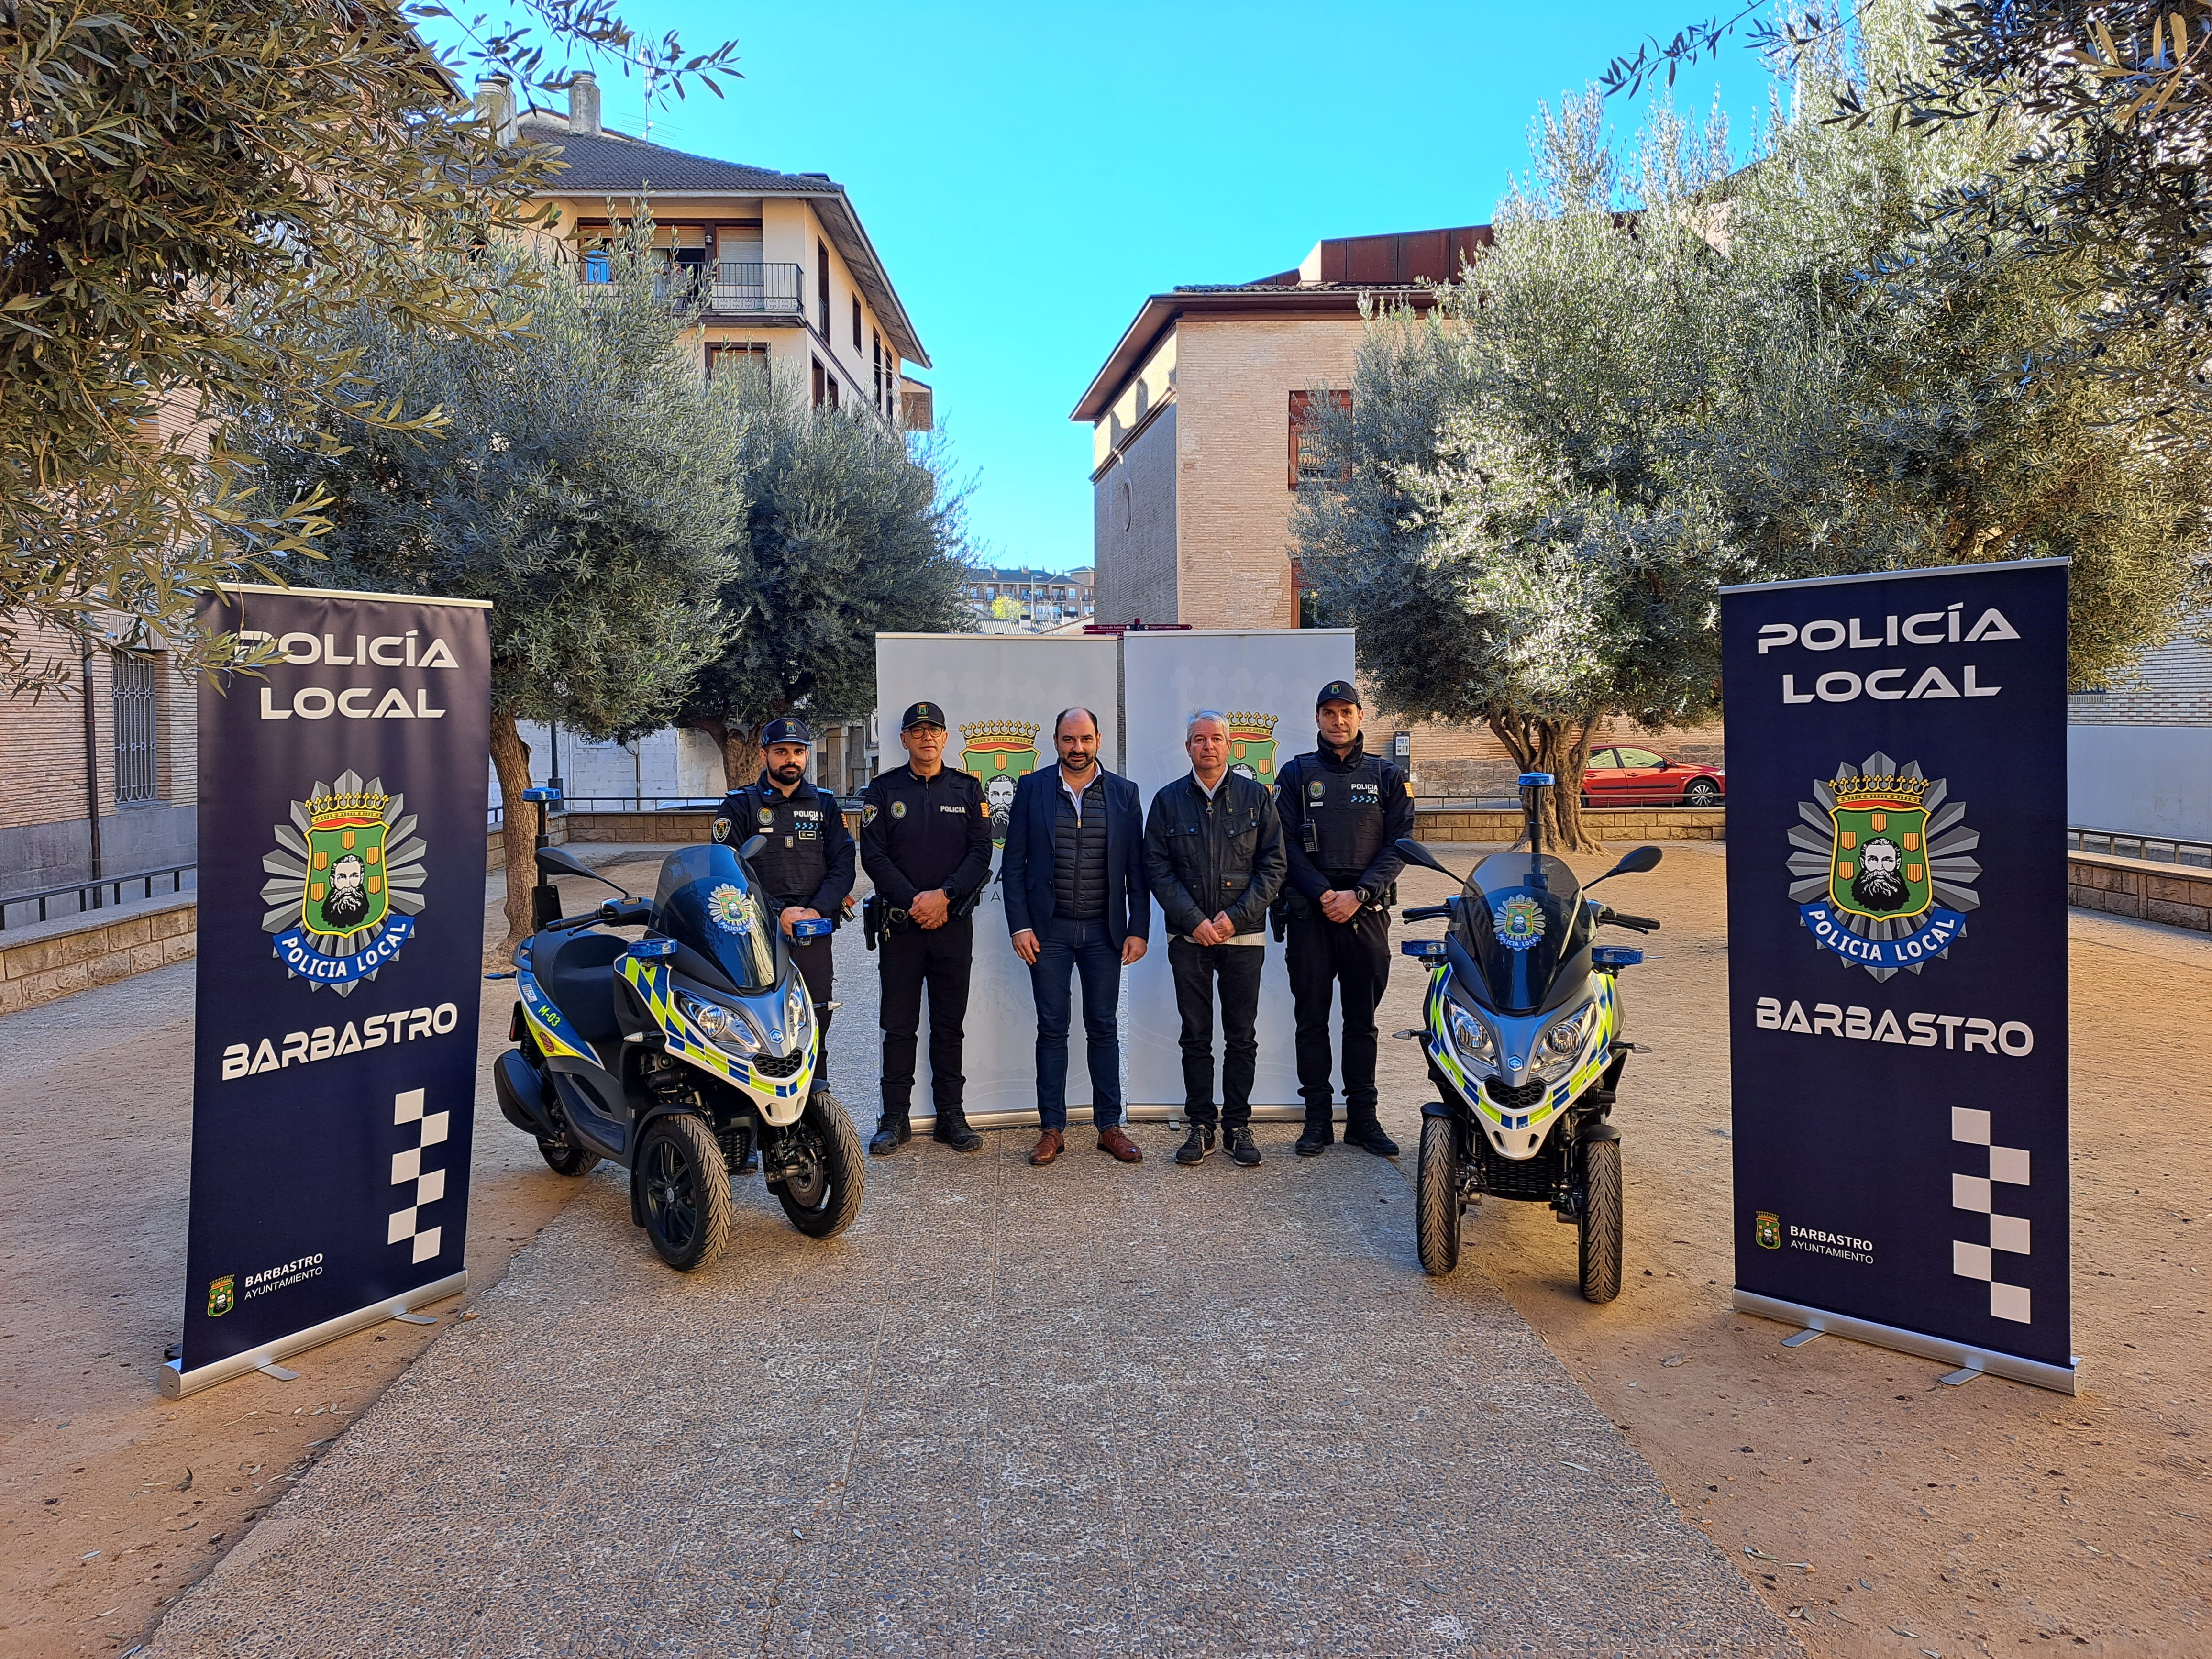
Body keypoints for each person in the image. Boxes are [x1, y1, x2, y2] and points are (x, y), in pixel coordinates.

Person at [1003, 707, 1150, 1167]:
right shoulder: (1032, 788)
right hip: (1050, 933)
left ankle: (1110, 1126)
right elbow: (1013, 866)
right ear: (1056, 742)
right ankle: (1052, 1129)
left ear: (1099, 740)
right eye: (1069, 740)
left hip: (1105, 932)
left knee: (1103, 1027)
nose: (1078, 748)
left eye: (1085, 739)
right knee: (1052, 1029)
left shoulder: (1125, 794)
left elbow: (1138, 871)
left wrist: (1138, 929)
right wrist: (1020, 925)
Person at [1274, 680, 1415, 1158]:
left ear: (1360, 717)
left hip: (1366, 914)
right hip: (1311, 917)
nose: (1338, 721)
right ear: (1317, 719)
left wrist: (1358, 894)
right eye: (1329, 712)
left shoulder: (1387, 776)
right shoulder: (1295, 774)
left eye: (1346, 712)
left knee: (1361, 1023)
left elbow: (1400, 845)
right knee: (1311, 1022)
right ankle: (1316, 1122)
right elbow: (1283, 845)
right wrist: (1324, 895)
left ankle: (1362, 1121)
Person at [1144, 710, 1286, 1169]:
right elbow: (1157, 870)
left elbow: (1273, 867)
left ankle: (1238, 1126)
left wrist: (1235, 918)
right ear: (1187, 748)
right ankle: (1201, 1124)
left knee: (1242, 1035)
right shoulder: (1167, 802)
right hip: (1189, 939)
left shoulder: (1256, 798)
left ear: (1230, 747)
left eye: (1216, 739)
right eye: (1199, 740)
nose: (1207, 747)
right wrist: (1193, 920)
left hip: (1242, 938)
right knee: (1196, 1034)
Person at [859, 701, 994, 1156]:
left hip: (952, 926)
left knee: (948, 1024)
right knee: (897, 1026)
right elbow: (874, 857)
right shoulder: (882, 791)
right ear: (904, 740)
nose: (926, 738)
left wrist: (945, 897)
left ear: (946, 737)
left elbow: (981, 854)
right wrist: (916, 903)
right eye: (917, 731)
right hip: (902, 927)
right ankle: (894, 1118)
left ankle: (951, 1116)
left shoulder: (969, 789)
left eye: (934, 730)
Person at [710, 717, 855, 1070]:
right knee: (759, 1017)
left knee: (816, 1011)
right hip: (756, 930)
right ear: (764, 756)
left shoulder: (825, 804)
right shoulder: (739, 806)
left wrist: (816, 910)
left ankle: (816, 1094)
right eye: (781, 752)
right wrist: (777, 912)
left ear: (806, 756)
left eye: (797, 752)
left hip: (813, 928)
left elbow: (844, 864)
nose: (790, 759)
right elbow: (726, 872)